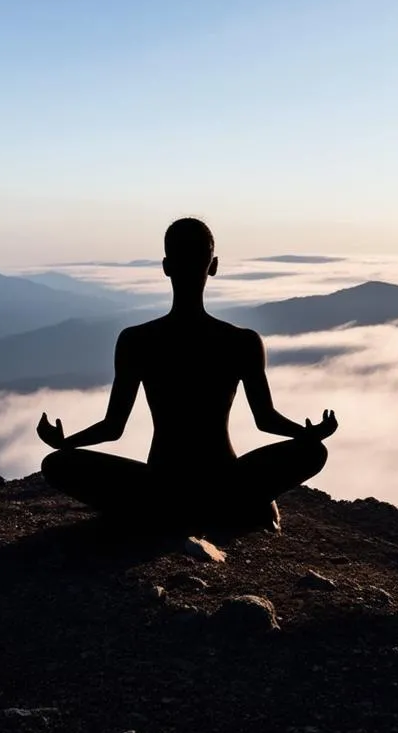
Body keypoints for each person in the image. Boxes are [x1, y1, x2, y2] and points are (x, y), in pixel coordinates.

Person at [38, 218, 337, 531]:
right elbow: (266, 419)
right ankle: (235, 506)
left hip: (161, 485)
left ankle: (148, 513)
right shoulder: (242, 342)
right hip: (224, 481)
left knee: (58, 465)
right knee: (312, 453)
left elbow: (113, 428)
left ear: (166, 267)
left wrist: (66, 442)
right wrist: (308, 435)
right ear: (214, 266)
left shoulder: (136, 340)